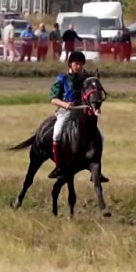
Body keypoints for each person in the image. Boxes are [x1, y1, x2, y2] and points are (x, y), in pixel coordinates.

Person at [48, 50, 107, 181]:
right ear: (70, 64)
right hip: (66, 111)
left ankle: (97, 172)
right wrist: (65, 104)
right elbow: (52, 98)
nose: (79, 66)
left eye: (81, 64)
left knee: (101, 137)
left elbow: (93, 94)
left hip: (83, 112)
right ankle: (58, 167)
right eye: (76, 64)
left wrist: (95, 106)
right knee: (57, 133)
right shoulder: (62, 79)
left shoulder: (86, 79)